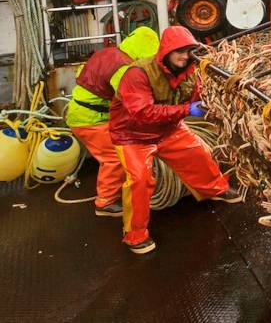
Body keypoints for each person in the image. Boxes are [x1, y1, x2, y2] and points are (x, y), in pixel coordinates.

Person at [108, 25, 243, 254]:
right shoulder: (138, 74)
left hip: (168, 130)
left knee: (198, 154)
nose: (184, 56)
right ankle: (134, 235)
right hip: (133, 136)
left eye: (189, 50)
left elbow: (198, 94)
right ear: (165, 51)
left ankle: (216, 189)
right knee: (139, 180)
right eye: (178, 51)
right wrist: (186, 110)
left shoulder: (190, 71)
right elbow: (142, 112)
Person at [65, 26, 160, 217]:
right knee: (114, 158)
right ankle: (105, 202)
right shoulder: (124, 68)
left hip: (82, 114)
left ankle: (113, 193)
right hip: (90, 120)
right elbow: (132, 100)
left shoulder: (109, 52)